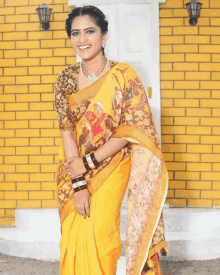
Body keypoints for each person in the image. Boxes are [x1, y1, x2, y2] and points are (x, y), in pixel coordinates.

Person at [55, 5, 169, 275]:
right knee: (74, 236)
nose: (82, 40)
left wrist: (89, 161)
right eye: (75, 33)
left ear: (104, 36)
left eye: (90, 31)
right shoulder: (66, 79)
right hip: (73, 168)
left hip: (113, 164)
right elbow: (67, 131)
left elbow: (132, 129)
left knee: (100, 233)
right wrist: (78, 180)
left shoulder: (123, 75)